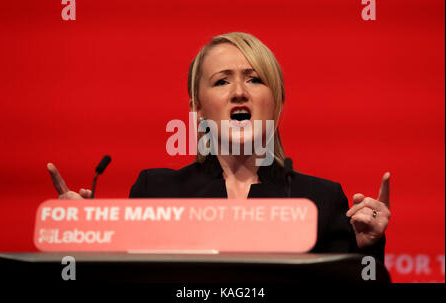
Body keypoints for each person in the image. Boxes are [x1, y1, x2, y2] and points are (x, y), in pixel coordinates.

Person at [47, 32, 391, 263]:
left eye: (254, 79)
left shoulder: (321, 200)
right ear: (197, 106)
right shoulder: (157, 191)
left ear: (278, 100)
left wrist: (368, 252)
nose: (239, 91)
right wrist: (84, 245)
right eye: (222, 80)